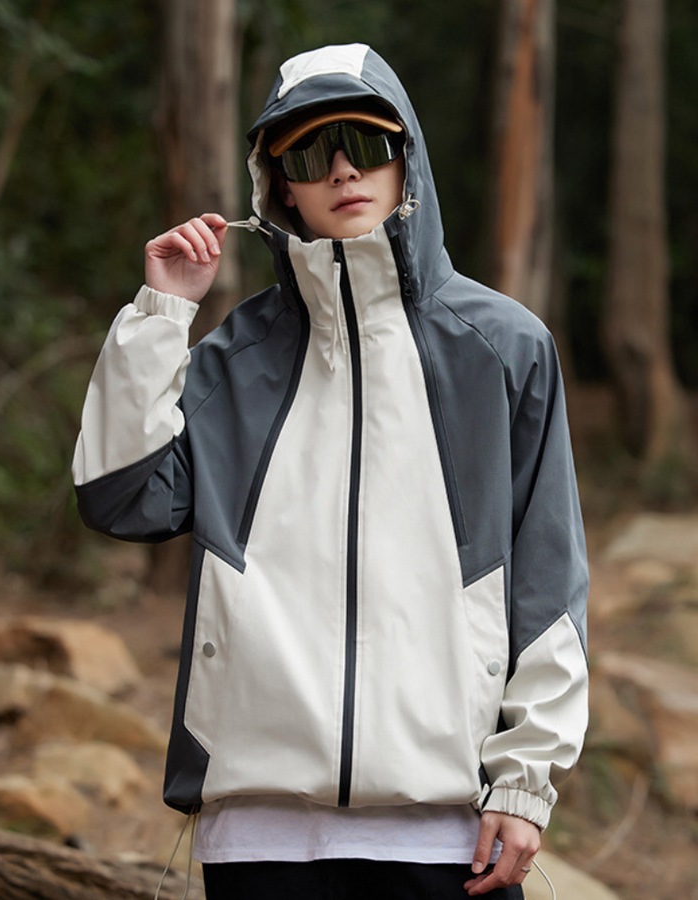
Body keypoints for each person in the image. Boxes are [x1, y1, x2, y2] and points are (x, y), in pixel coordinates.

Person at [72, 44, 589, 900]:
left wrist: (526, 781)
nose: (344, 168)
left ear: (406, 155)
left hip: (449, 833)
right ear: (280, 186)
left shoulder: (504, 348)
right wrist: (163, 311)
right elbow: (118, 497)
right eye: (312, 152)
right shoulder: (233, 357)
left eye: (365, 141)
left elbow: (548, 577)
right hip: (259, 833)